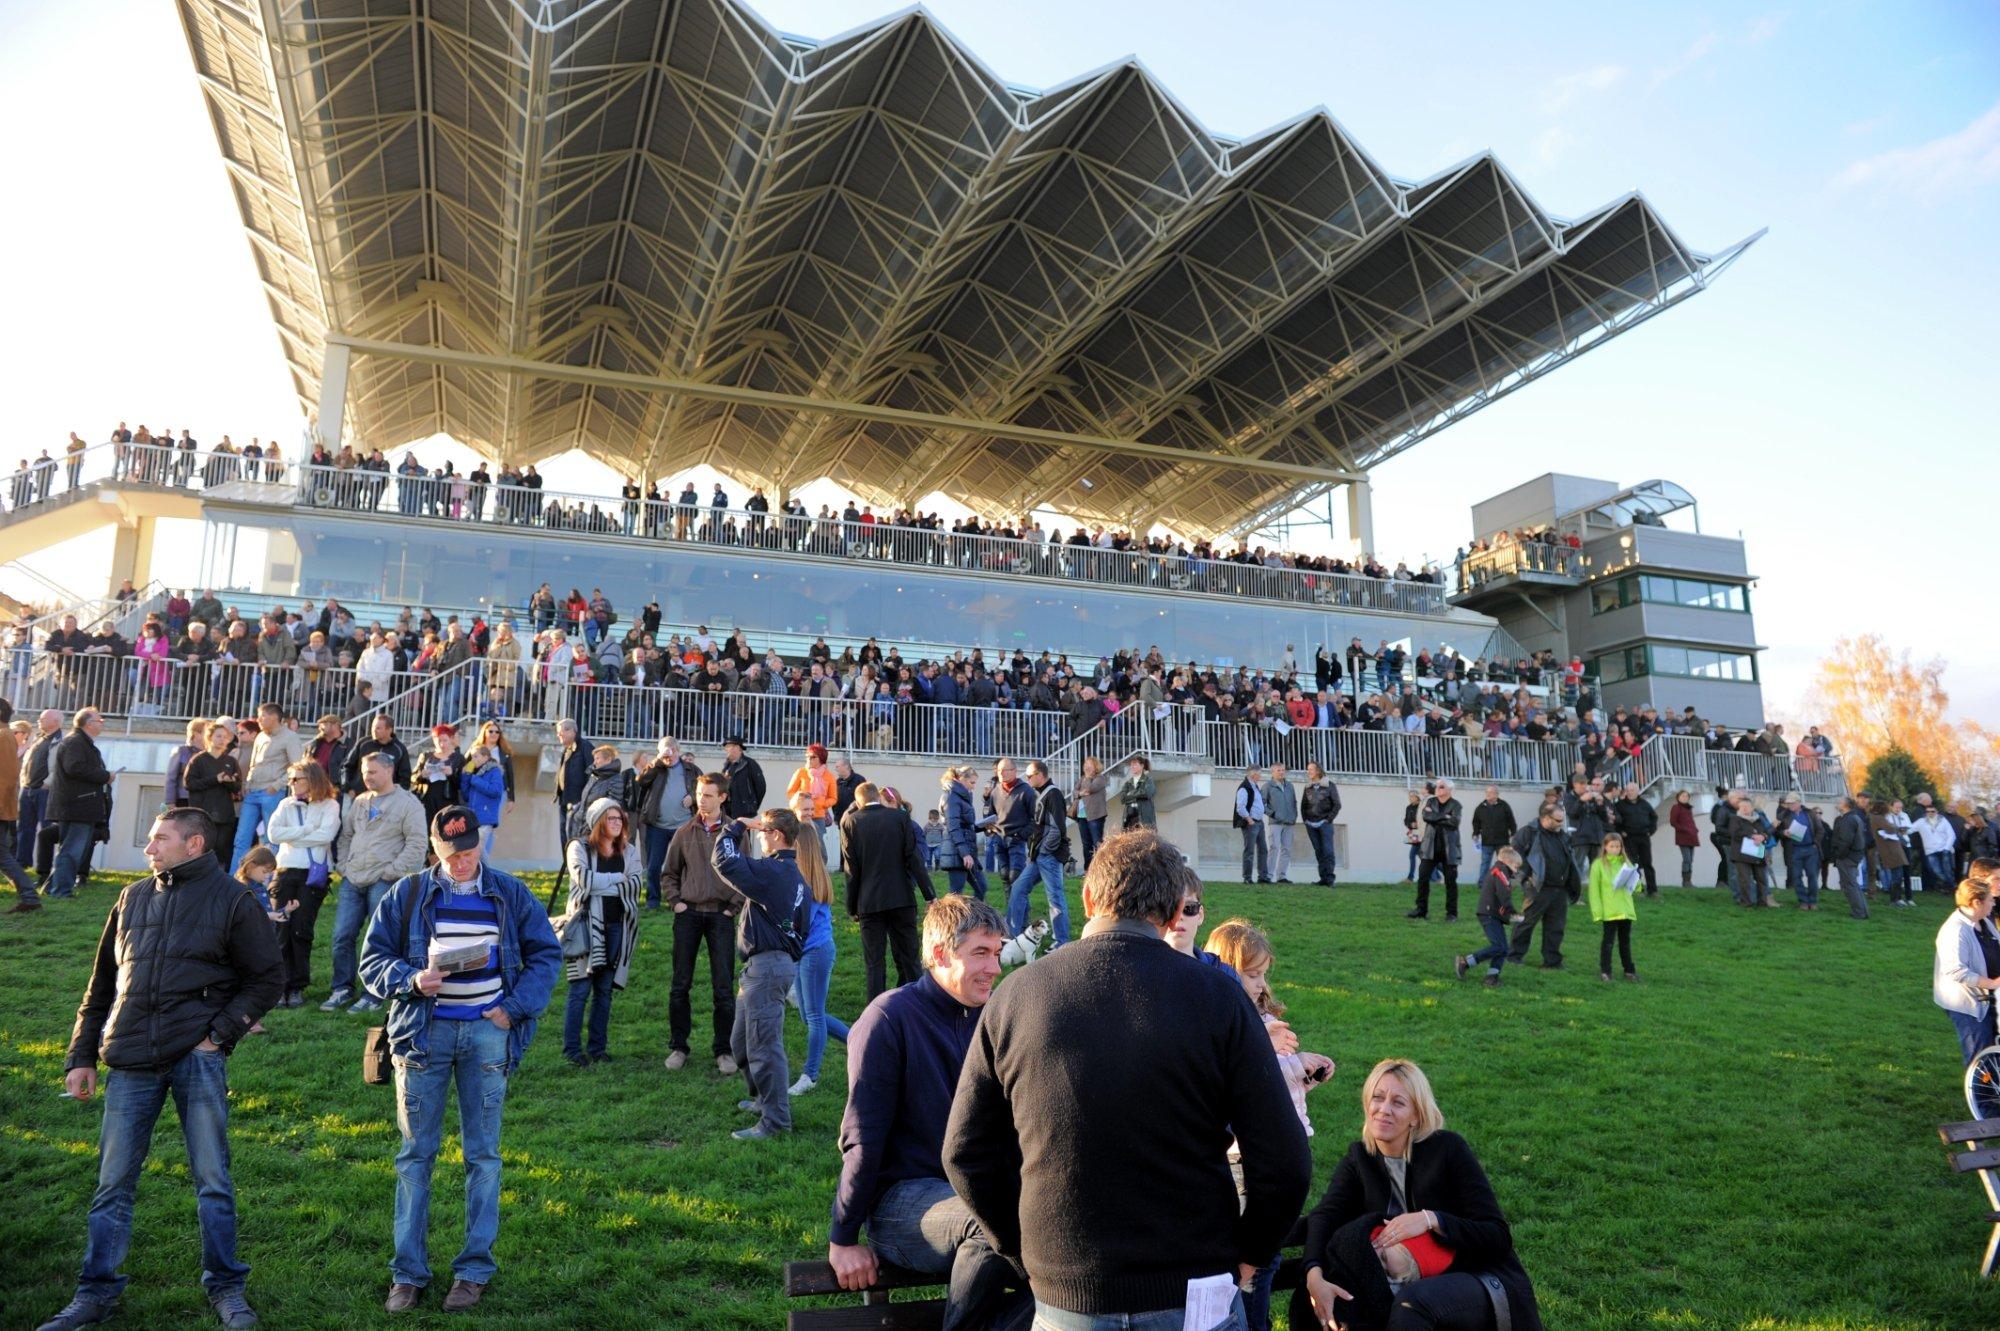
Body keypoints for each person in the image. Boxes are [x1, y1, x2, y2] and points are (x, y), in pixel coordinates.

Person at [944, 829, 1312, 1330]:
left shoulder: (1016, 996)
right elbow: (1286, 1158)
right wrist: (1251, 1253)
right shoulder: (1218, 998)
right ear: (1169, 913)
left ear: (1089, 896)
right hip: (1191, 1286)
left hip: (1069, 1291)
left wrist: (1021, 1251)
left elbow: (965, 1152)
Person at [38, 808, 283, 1331]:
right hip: (128, 1059)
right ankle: (95, 1294)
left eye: (158, 840)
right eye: (150, 840)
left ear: (194, 844)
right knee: (112, 1185)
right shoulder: (131, 897)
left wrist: (217, 1035)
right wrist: (81, 1055)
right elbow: (100, 985)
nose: (148, 849)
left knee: (212, 1180)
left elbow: (266, 979)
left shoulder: (234, 899)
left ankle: (226, 1289)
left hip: (196, 1059)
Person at [359, 805, 562, 1314]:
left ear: (480, 844)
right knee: (414, 1157)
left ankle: (472, 1272)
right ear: (435, 849)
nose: (462, 863)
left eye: (469, 852)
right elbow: (372, 960)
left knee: (484, 1157)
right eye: (451, 856)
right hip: (422, 1038)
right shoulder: (407, 893)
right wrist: (410, 980)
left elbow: (546, 956)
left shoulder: (511, 892)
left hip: (487, 1035)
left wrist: (512, 1009)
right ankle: (407, 1275)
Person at [828, 895, 1022, 1331]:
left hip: (984, 1191)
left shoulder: (995, 1018)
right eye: (980, 953)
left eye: (997, 952)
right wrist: (843, 1237)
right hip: (902, 1203)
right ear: (939, 954)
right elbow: (863, 1137)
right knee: (991, 1225)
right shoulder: (888, 1018)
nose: (995, 967)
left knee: (1071, 1239)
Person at [1297, 1060, 1544, 1331]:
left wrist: (1431, 1220)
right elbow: (1325, 1216)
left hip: (1477, 1277)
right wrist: (1314, 1275)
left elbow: (1496, 1234)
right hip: (1396, 1278)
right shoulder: (1360, 1159)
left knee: (1412, 1304)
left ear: (1416, 1115)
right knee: (1318, 1302)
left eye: (1398, 1103)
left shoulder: (1448, 1149)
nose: (1383, 1110)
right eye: (1377, 1098)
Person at [1203, 920, 1335, 1331]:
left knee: (1266, 1256)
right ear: (1226, 970)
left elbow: (1272, 1089)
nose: (1261, 984)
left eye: (1264, 974)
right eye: (1252, 974)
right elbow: (1240, 1088)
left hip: (1274, 1155)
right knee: (1253, 1264)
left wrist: (1302, 1072)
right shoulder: (1233, 1025)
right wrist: (1269, 1049)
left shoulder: (1259, 1020)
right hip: (1245, 1161)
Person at [710, 807, 814, 1141]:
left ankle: (775, 1122)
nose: (759, 835)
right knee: (740, 1042)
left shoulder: (776, 871)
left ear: (776, 836)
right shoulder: (792, 875)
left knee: (764, 1046)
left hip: (768, 968)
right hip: (767, 967)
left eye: (763, 831)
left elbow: (724, 862)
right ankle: (762, 1099)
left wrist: (735, 826)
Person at [321, 751, 429, 1013]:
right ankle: (342, 989)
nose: (365, 777)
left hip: (384, 880)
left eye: (372, 772)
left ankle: (374, 993)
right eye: (364, 771)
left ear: (389, 771)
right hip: (353, 878)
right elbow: (345, 836)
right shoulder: (360, 801)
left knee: (379, 940)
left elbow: (417, 844)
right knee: (341, 936)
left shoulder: (408, 803)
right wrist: (344, 866)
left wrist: (391, 872)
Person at [661, 775, 740, 1075]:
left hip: (722, 916)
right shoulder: (684, 832)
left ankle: (724, 1050)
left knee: (723, 987)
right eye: (699, 793)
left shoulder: (735, 833)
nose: (701, 799)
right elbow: (668, 873)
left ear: (722, 797)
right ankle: (678, 1046)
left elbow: (745, 872)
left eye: (708, 795)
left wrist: (733, 907)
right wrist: (676, 903)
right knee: (680, 984)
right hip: (689, 915)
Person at [560, 798, 643, 1067]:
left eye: (620, 818)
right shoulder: (579, 846)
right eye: (611, 818)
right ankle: (572, 1050)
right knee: (580, 990)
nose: (617, 822)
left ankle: (598, 1049)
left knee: (604, 992)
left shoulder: (629, 851)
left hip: (617, 925)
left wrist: (604, 884)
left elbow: (636, 884)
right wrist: (618, 880)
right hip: (584, 926)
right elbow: (582, 879)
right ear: (597, 821)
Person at [844, 781, 937, 1001]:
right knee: (910, 958)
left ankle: (875, 1012)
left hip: (869, 902)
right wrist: (930, 895)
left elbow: (851, 869)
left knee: (874, 964)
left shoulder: (851, 822)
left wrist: (852, 906)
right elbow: (914, 860)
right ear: (877, 796)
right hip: (902, 898)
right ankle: (920, 1007)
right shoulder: (900, 818)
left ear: (858, 801)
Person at [785, 790, 849, 1095]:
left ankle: (809, 1075)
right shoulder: (801, 875)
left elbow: (801, 923)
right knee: (810, 1014)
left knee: (813, 1016)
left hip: (815, 952)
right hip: (806, 951)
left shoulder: (809, 881)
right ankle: (858, 1041)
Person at [267, 759, 342, 1008]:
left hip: (313, 874)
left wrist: (296, 833)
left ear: (312, 779)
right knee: (280, 928)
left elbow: (327, 835)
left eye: (296, 778)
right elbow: (273, 834)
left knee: (301, 929)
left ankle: (297, 986)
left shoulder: (330, 805)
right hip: (286, 870)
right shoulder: (286, 804)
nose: (292, 784)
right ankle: (278, 986)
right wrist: (308, 830)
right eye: (290, 779)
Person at [1934, 861, 2000, 1066]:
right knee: (1979, 1051)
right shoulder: (1956, 930)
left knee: (1991, 1047)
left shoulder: (1985, 922)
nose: (1994, 903)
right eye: (1990, 900)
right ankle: (1982, 1095)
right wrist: (1992, 984)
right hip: (1967, 1003)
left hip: (1988, 997)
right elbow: (1956, 970)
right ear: (1976, 903)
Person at [44, 707, 113, 900]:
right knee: (71, 851)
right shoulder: (75, 742)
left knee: (69, 849)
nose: (102, 724)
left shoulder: (80, 742)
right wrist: (105, 776)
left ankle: (53, 887)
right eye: (100, 721)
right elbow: (75, 767)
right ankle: (61, 891)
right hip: (76, 806)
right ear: (89, 724)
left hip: (77, 805)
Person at [230, 703, 303, 872]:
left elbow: (297, 766)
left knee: (272, 838)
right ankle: (234, 877)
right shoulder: (261, 736)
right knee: (241, 839)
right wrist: (247, 783)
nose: (258, 720)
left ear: (274, 717)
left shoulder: (290, 737)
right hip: (252, 791)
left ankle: (269, 879)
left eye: (262, 716)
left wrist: (276, 786)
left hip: (272, 793)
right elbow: (253, 763)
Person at [1006, 760, 1072, 947]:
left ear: (1040, 775)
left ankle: (1062, 942)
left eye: (1030, 775)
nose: (1027, 779)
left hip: (1048, 856)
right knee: (1018, 888)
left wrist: (1044, 850)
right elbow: (1040, 827)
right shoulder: (1042, 794)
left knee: (1055, 899)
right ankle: (1013, 937)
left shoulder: (1054, 794)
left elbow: (1058, 828)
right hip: (1038, 857)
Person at [632, 737, 699, 909]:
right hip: (657, 826)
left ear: (677, 751)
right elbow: (641, 781)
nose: (668, 755)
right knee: (654, 866)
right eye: (663, 751)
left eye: (671, 751)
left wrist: (693, 797)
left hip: (683, 826)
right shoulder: (656, 768)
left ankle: (679, 899)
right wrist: (657, 761)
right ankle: (653, 900)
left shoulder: (691, 769)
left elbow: (704, 788)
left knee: (683, 866)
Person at [1508, 805, 1574, 969]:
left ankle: (1552, 960)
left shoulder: (1562, 836)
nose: (1561, 823)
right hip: (1537, 887)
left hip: (1559, 888)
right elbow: (1516, 857)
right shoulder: (1528, 833)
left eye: (1562, 820)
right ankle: (1514, 955)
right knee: (1526, 922)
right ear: (1545, 818)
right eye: (1558, 820)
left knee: (1556, 927)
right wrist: (1526, 878)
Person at [1456, 845, 1525, 988]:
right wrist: (1514, 913)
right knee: (1498, 946)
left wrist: (1508, 915)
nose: (1517, 870)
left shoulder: (1500, 871)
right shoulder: (1500, 872)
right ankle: (1465, 962)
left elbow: (1500, 898)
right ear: (1507, 861)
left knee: (1503, 949)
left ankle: (1491, 977)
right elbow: (1504, 897)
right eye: (1516, 866)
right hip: (1488, 915)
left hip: (1492, 915)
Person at [181, 720, 243, 869]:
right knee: (201, 850)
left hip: (224, 815)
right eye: (218, 736)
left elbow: (237, 788)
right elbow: (189, 784)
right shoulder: (198, 760)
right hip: (202, 814)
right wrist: (215, 779)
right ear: (209, 738)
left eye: (225, 737)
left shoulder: (231, 761)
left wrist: (230, 781)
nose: (222, 740)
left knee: (221, 850)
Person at [1587, 832, 1641, 983]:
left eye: (1618, 846)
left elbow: (1636, 886)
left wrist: (1636, 880)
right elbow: (1594, 891)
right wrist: (1597, 912)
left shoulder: (1626, 862)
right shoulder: (1598, 864)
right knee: (1608, 942)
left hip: (1625, 909)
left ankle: (1629, 970)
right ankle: (1605, 970)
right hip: (1609, 910)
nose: (1615, 849)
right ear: (1605, 847)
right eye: (1612, 846)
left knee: (1625, 942)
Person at [1409, 780, 1463, 922]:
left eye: (1441, 786)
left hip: (1449, 848)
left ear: (1449, 789)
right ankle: (1421, 910)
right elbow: (1426, 817)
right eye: (1437, 786)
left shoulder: (1456, 805)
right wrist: (1445, 816)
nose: (1437, 788)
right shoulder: (1430, 801)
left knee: (1450, 882)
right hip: (1430, 848)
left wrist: (1436, 816)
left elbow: (1454, 822)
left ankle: (1451, 914)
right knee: (1423, 878)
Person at [940, 764, 986, 899]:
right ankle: (950, 919)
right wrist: (965, 853)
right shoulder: (951, 797)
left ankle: (973, 917)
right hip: (958, 853)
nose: (973, 786)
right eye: (972, 782)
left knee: (981, 887)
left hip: (967, 851)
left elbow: (966, 825)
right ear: (961, 779)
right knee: (955, 893)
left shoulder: (962, 796)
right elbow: (953, 826)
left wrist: (985, 826)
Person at [1826, 796, 1873, 920]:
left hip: (1847, 857)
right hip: (1852, 856)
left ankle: (1859, 912)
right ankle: (1862, 911)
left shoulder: (1848, 820)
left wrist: (1839, 855)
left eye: (1839, 802)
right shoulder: (1853, 818)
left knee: (1850, 885)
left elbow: (1845, 841)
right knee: (1853, 884)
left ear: (1846, 805)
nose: (1837, 803)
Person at [1611, 782, 1658, 897]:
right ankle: (1638, 889)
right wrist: (1621, 831)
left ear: (1638, 791)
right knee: (1632, 864)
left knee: (1648, 863)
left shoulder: (1645, 804)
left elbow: (1654, 818)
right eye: (1628, 790)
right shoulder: (1619, 805)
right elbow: (1616, 821)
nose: (1630, 792)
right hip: (1629, 838)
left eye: (1632, 790)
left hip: (1644, 837)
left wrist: (1650, 831)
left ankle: (1653, 890)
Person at [460, 745, 508, 857]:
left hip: (486, 817)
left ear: (486, 757)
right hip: (473, 818)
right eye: (472, 757)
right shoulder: (475, 773)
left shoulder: (494, 771)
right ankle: (485, 873)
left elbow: (495, 791)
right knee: (475, 850)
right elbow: (466, 796)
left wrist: (474, 779)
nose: (473, 760)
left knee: (478, 850)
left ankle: (487, 873)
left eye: (476, 756)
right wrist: (466, 777)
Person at [1300, 762, 1342, 888]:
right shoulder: (1307, 787)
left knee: (1328, 851)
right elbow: (1303, 806)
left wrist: (1328, 820)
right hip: (1311, 824)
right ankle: (1323, 878)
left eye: (1311, 769)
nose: (1309, 772)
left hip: (1324, 824)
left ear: (1318, 771)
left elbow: (1337, 805)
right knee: (1319, 851)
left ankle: (1330, 879)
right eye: (1308, 770)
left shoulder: (1329, 785)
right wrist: (1305, 820)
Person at [1467, 785, 1515, 886]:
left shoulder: (1504, 805)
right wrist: (1475, 833)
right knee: (1485, 863)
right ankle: (1482, 883)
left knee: (1504, 863)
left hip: (1502, 840)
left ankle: (1505, 882)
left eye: (1491, 792)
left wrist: (1513, 833)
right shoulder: (1480, 807)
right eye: (1487, 792)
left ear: (1497, 794)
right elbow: (1476, 822)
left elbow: (1511, 820)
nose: (1488, 794)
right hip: (1487, 840)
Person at [1235, 764, 1272, 884]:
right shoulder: (1244, 788)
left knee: (1263, 850)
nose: (1260, 776)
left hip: (1259, 822)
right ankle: (1247, 877)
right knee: (1249, 850)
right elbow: (1240, 807)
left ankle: (1263, 876)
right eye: (1259, 773)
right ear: (1253, 774)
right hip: (1251, 823)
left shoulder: (1255, 787)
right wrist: (1249, 819)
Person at [1263, 764, 1298, 885]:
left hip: (1289, 823)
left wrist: (1294, 816)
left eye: (1283, 770)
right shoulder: (1267, 786)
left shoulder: (1290, 786)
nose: (1281, 772)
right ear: (1272, 772)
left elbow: (1294, 802)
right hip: (1275, 823)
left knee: (1286, 849)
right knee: (1274, 847)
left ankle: (1282, 876)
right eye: (1278, 770)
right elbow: (1262, 804)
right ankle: (1268, 875)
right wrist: (1273, 814)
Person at [1074, 754, 1109, 872]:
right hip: (1082, 815)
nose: (1086, 767)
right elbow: (1074, 792)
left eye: (1089, 765)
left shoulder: (1100, 778)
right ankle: (1087, 870)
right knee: (1086, 844)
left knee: (1097, 843)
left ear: (1096, 766)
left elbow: (1091, 789)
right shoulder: (1082, 778)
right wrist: (1080, 793)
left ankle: (1100, 870)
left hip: (1095, 816)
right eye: (1085, 764)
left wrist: (1088, 779)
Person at [719, 736, 767, 821]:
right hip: (728, 810)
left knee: (743, 834)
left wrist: (752, 805)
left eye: (730, 746)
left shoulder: (750, 764)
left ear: (738, 748)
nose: (727, 750)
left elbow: (761, 787)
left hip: (743, 811)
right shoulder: (727, 766)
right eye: (727, 747)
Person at [1668, 791, 1700, 889]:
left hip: (1692, 837)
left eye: (1687, 796)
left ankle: (1689, 881)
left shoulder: (1689, 809)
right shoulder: (1676, 808)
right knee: (1687, 859)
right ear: (1678, 797)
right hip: (1683, 837)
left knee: (1691, 860)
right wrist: (1684, 829)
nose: (1685, 798)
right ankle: (1686, 882)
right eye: (1683, 796)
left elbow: (1691, 821)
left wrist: (1694, 830)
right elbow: (1673, 822)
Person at [1116, 754, 1155, 829]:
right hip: (1129, 819)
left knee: (1144, 840)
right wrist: (1138, 795)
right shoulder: (1128, 783)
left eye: (1135, 764)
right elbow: (1122, 799)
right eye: (1131, 765)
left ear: (1142, 766)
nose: (1132, 767)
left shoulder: (1148, 780)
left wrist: (1131, 794)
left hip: (1144, 819)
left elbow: (1147, 793)